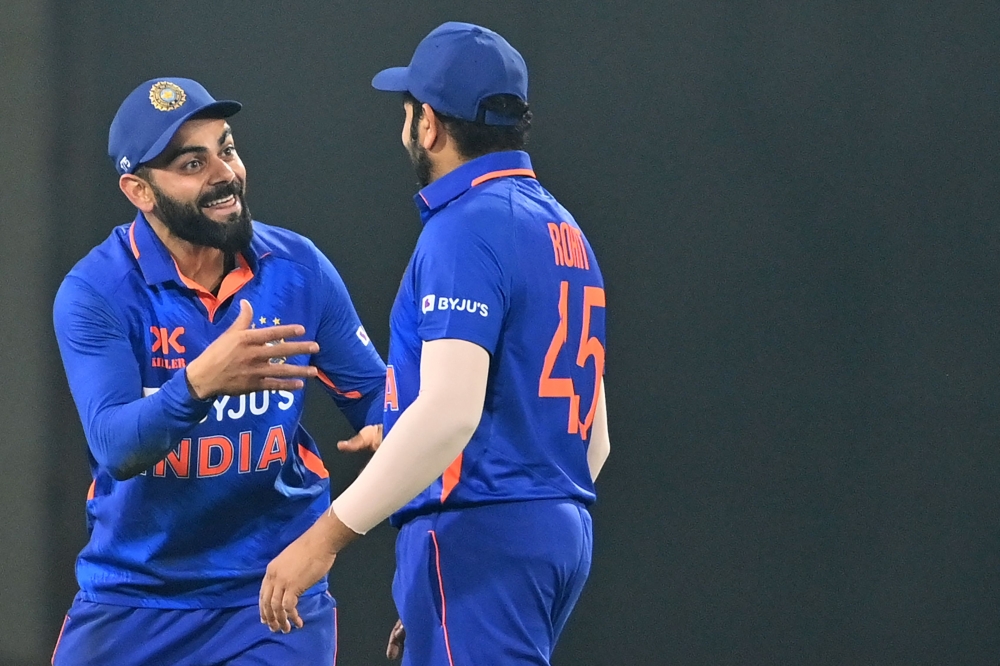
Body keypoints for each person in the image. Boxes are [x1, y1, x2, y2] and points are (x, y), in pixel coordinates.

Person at [260, 22, 611, 665]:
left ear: (429, 125)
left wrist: (325, 539)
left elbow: (449, 413)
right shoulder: (564, 229)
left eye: (407, 111)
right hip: (556, 530)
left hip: (482, 530)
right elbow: (593, 439)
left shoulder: (465, 225)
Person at [51, 77, 386, 665]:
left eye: (226, 150)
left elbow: (384, 404)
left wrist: (392, 425)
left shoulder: (298, 269)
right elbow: (115, 447)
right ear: (139, 191)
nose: (224, 174)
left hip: (271, 596)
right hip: (133, 599)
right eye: (192, 162)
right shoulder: (96, 291)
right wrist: (201, 381)